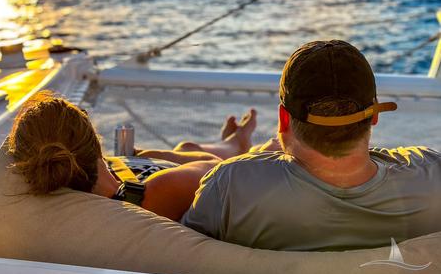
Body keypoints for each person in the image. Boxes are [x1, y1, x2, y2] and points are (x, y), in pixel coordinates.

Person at [182, 40, 441, 251]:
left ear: (284, 118)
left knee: (194, 153)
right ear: (374, 115)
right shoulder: (432, 176)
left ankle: (232, 145)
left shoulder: (230, 186)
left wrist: (266, 159)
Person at [7, 91, 257, 221]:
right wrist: (157, 154)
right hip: (205, 170)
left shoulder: (74, 189)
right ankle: (236, 143)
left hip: (126, 171)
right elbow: (216, 169)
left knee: (185, 145)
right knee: (203, 153)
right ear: (94, 139)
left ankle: (230, 141)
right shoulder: (155, 193)